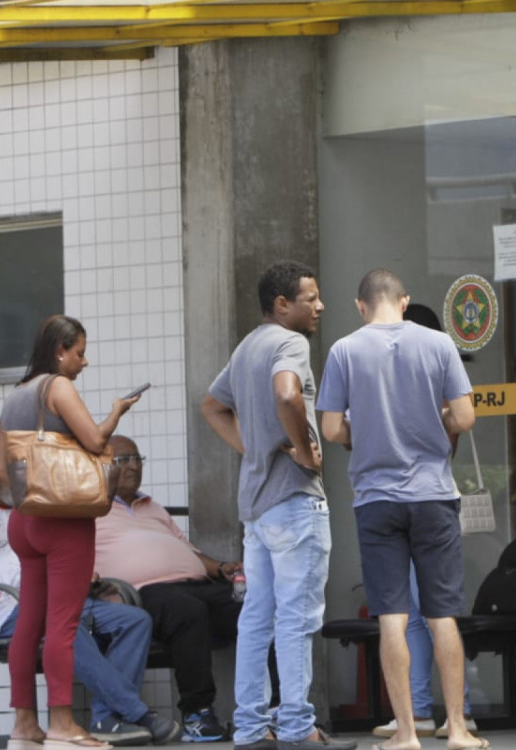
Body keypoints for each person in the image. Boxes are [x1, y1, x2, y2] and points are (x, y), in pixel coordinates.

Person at [317, 269, 485, 750]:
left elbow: (331, 430)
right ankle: (457, 729)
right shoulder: (437, 344)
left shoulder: (344, 351)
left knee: (391, 617)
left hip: (377, 500)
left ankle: (406, 733)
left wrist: (364, 431)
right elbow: (466, 417)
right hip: (433, 495)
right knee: (443, 615)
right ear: (405, 300)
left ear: (360, 305)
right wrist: (436, 421)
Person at [201, 260, 351, 750]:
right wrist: (305, 449)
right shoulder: (291, 343)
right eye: (311, 298)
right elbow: (287, 393)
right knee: (297, 618)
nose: (320, 306)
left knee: (257, 618)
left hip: (258, 508)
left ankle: (248, 728)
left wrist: (253, 446)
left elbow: (211, 405)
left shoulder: (248, 345)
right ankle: (296, 727)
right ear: (283, 304)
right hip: (293, 499)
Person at [0, 437, 179, 748]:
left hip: (54, 600)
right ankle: (140, 714)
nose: (19, 477)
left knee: (134, 619)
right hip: (6, 610)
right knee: (67, 629)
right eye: (8, 471)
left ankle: (106, 719)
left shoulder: (28, 512)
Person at [0, 315, 141, 750]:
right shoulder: (56, 386)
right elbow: (96, 442)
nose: (84, 360)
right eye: (79, 352)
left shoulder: (16, 394)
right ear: (59, 352)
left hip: (26, 521)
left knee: (30, 625)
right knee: (63, 624)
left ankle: (25, 723)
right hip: (63, 522)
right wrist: (117, 411)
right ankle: (62, 723)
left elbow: (4, 463)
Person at [94, 434, 259, 742]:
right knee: (188, 610)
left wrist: (220, 567)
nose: (132, 466)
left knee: (256, 605)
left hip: (196, 584)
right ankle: (197, 713)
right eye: (122, 460)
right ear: (101, 467)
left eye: (136, 459)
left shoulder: (152, 506)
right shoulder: (91, 510)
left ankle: (270, 709)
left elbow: (188, 548)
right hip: (142, 594)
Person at [370, 304, 477, 741]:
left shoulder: (399, 383)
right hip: (435, 501)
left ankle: (421, 715)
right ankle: (453, 716)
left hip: (400, 503)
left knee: (413, 615)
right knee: (437, 613)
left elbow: (345, 432)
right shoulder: (437, 379)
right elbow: (453, 434)